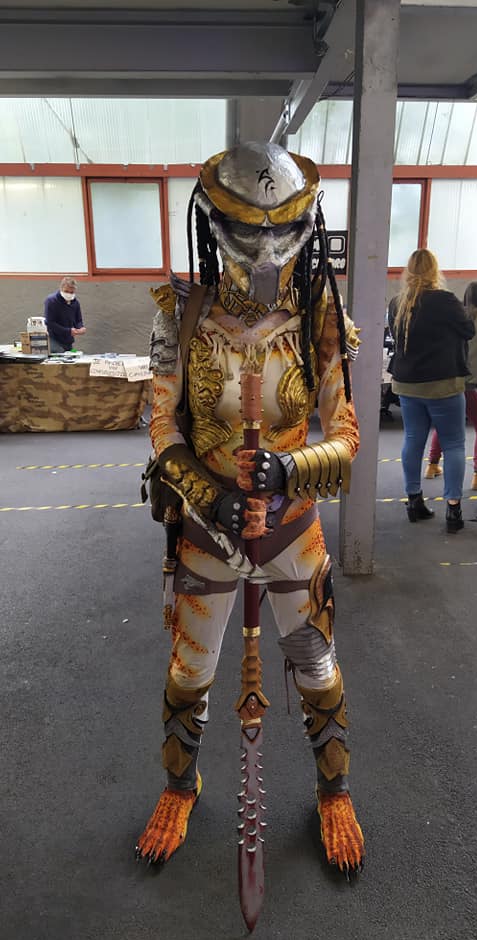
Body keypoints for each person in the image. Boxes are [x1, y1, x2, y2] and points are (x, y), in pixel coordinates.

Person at [136, 141, 365, 877]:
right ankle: (181, 785)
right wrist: (211, 496)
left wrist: (288, 467)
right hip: (208, 529)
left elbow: (348, 435)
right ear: (214, 222)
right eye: (246, 230)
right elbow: (163, 428)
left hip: (292, 529)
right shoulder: (180, 313)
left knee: (317, 669)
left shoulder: (320, 311)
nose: (265, 250)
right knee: (190, 672)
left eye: (282, 230)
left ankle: (334, 791)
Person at [388, 248, 474, 534]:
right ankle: (453, 509)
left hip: (407, 384)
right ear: (435, 270)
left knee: (413, 439)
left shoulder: (398, 303)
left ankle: (414, 501)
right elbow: (469, 330)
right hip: (443, 383)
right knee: (454, 445)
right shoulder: (446, 300)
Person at [425, 280, 477, 490]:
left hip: (446, 378)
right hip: (467, 382)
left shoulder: (458, 315)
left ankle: (432, 465)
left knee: (445, 423)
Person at [44, 276, 86, 352]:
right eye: (66, 291)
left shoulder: (75, 303)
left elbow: (78, 320)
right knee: (60, 354)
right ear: (61, 289)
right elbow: (49, 322)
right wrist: (68, 331)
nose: (69, 294)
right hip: (53, 339)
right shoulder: (51, 301)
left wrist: (80, 328)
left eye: (71, 292)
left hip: (68, 341)